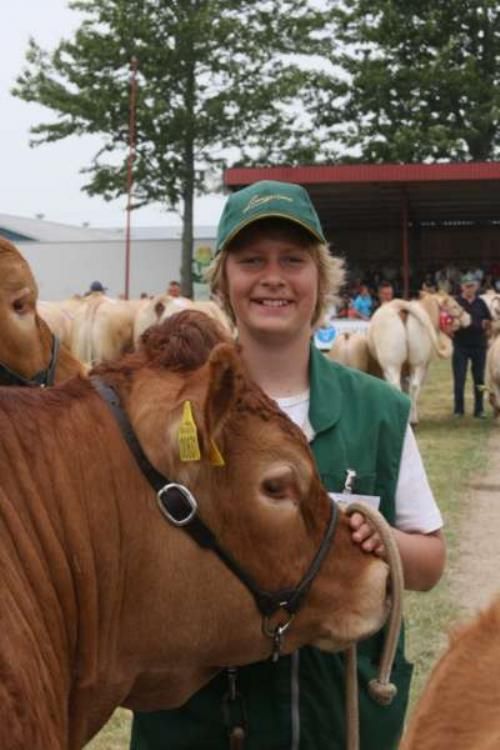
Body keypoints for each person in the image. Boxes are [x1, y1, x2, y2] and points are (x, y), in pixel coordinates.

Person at [130, 180, 445, 750]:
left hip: (334, 721)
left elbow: (430, 561)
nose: (273, 276)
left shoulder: (379, 412)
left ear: (321, 279)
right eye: (251, 260)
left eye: (293, 260)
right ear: (223, 279)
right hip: (201, 724)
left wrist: (384, 542)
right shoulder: (168, 411)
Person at [452, 272, 492, 418]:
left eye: (472, 286)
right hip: (460, 346)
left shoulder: (481, 303)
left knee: (479, 379)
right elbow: (449, 322)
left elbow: (488, 322)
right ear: (462, 287)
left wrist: (486, 325)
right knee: (459, 378)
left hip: (479, 346)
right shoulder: (456, 302)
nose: (469, 289)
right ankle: (458, 409)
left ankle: (479, 409)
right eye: (467, 286)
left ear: (476, 287)